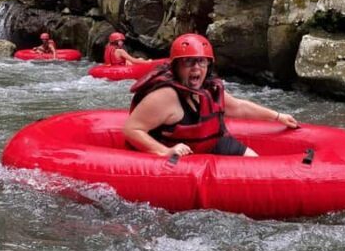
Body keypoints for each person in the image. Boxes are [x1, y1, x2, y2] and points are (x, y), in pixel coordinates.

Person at [123, 33, 298, 158]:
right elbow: (132, 129)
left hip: (213, 143)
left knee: (254, 161)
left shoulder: (209, 88)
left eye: (201, 61)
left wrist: (278, 116)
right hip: (180, 151)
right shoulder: (166, 95)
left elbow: (238, 107)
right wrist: (164, 151)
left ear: (208, 65)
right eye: (188, 62)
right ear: (176, 67)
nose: (196, 68)